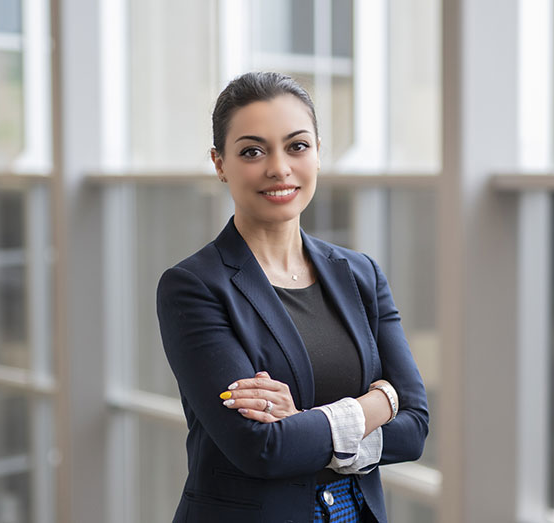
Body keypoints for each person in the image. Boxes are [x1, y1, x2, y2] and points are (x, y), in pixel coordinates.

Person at [156, 71, 429, 523]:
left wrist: (304, 421)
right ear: (220, 163)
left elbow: (415, 428)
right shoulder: (194, 287)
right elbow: (262, 447)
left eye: (297, 146)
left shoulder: (360, 275)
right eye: (252, 151)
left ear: (318, 152)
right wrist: (378, 404)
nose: (279, 167)